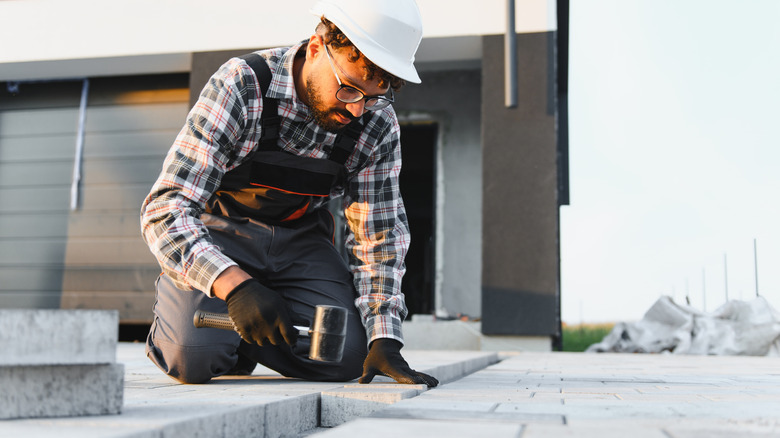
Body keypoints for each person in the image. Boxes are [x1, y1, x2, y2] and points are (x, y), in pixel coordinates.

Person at [140, 0, 438, 387]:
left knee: (345, 358)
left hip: (301, 243)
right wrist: (235, 285)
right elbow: (165, 209)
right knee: (191, 358)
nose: (356, 110)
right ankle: (205, 331)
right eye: (348, 89)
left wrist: (384, 337)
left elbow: (378, 236)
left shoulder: (376, 123)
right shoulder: (242, 86)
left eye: (371, 97)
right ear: (317, 47)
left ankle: (242, 338)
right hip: (221, 235)